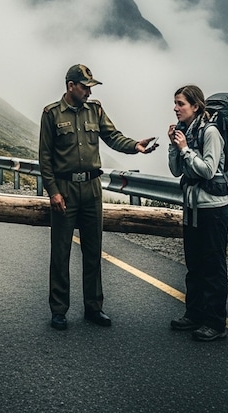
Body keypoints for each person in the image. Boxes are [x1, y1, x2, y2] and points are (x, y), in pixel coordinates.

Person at [39, 64, 158, 330]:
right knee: (61, 252)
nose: (89, 92)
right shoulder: (51, 114)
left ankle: (94, 308)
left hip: (92, 189)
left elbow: (112, 137)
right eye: (85, 87)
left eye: (91, 87)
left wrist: (135, 146)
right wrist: (53, 192)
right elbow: (45, 157)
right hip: (65, 190)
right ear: (71, 86)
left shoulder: (96, 110)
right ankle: (59, 310)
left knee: (93, 251)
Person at [167, 84, 228, 342]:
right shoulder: (185, 132)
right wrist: (174, 146)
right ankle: (193, 314)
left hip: (213, 209)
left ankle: (216, 323)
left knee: (213, 266)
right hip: (192, 208)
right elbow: (175, 171)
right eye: (175, 103)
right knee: (194, 264)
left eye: (181, 103)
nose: (175, 108)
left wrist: (184, 149)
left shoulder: (211, 132)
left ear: (195, 106)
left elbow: (207, 170)